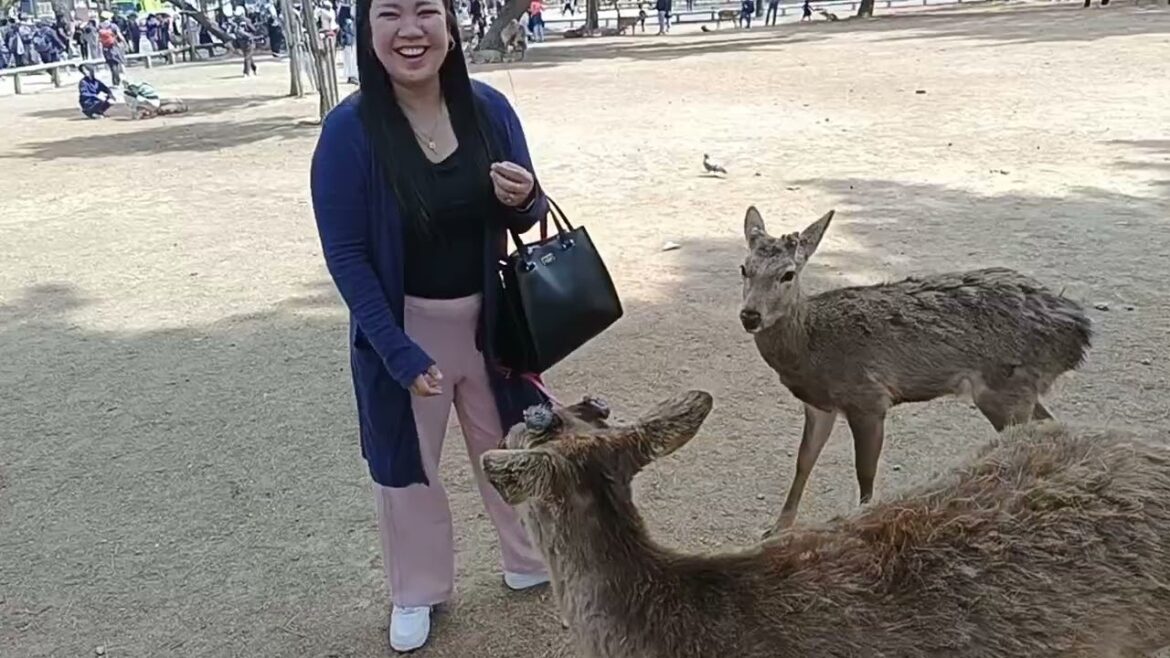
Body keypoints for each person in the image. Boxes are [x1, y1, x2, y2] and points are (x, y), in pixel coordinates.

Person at [309, 0, 552, 651]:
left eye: (426, 11)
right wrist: (396, 350)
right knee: (406, 470)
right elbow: (348, 255)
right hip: (405, 331)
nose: (409, 30)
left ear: (451, 26)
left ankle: (529, 559)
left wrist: (525, 197)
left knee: (511, 447)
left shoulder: (490, 110)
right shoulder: (349, 131)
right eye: (389, 13)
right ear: (367, 29)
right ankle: (417, 590)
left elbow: (528, 217)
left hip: (492, 323)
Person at [228, 6, 258, 76]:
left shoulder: (234, 21)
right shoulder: (247, 20)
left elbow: (231, 31)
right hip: (248, 41)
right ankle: (246, 72)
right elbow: (253, 30)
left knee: (248, 56)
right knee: (248, 56)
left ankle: (254, 68)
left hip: (240, 41)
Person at [98, 14, 126, 85]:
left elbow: (98, 39)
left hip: (105, 48)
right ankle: (117, 80)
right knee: (116, 63)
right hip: (114, 47)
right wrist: (125, 43)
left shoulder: (100, 26)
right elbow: (120, 35)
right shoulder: (113, 26)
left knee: (111, 65)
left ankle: (115, 80)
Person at [338, 15, 357, 84]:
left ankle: (351, 76)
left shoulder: (350, 23)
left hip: (350, 43)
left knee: (350, 61)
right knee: (349, 61)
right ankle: (351, 77)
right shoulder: (348, 23)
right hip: (348, 44)